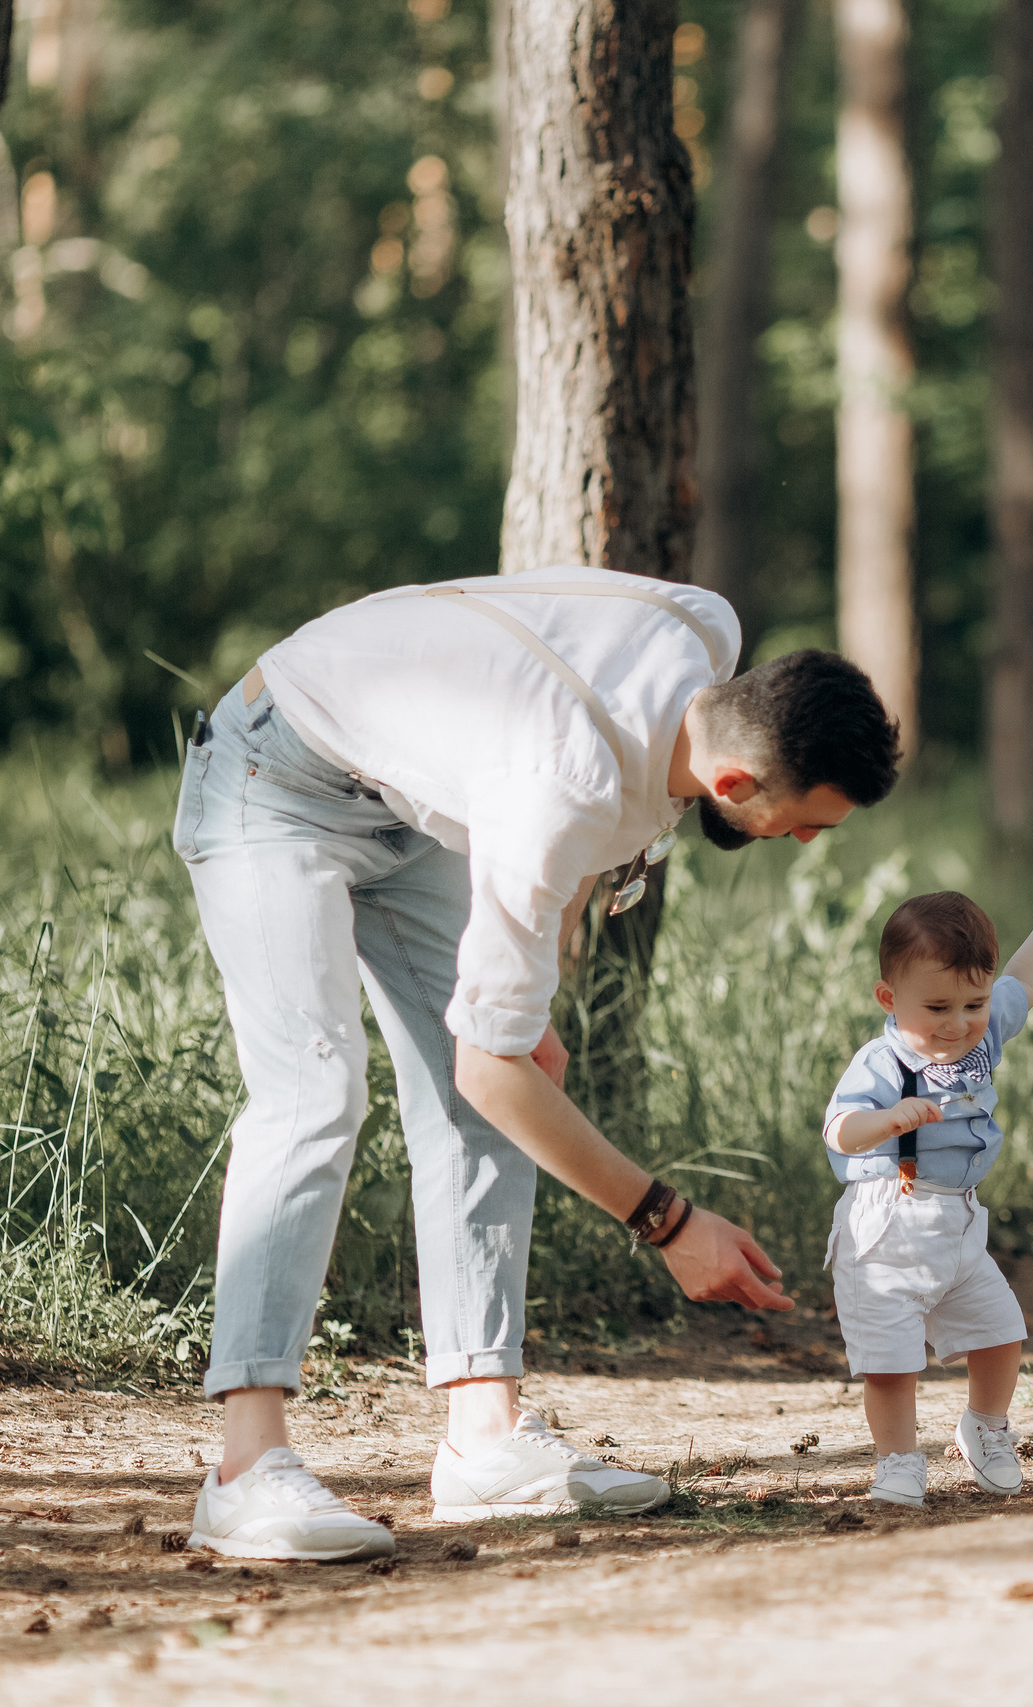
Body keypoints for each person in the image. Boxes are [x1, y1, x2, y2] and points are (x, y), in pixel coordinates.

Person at [171, 564, 900, 1561]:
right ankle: (244, 1469)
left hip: (416, 802)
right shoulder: (557, 785)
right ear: (734, 784)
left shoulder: (701, 628)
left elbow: (582, 809)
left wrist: (526, 995)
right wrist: (669, 1223)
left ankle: (483, 1438)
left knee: (493, 1091)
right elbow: (495, 1049)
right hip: (278, 772)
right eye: (809, 821)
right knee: (316, 1089)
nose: (808, 842)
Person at [820, 877, 1033, 1508]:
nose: (958, 1024)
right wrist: (887, 1120)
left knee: (1001, 1331)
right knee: (892, 1362)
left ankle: (984, 1426)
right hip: (887, 1227)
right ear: (889, 998)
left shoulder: (980, 1035)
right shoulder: (882, 1063)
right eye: (937, 1009)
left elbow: (1025, 980)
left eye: (974, 1005)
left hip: (958, 1224)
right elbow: (839, 1130)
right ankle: (898, 1460)